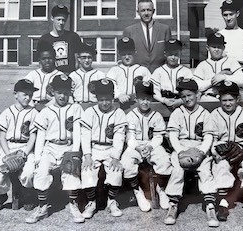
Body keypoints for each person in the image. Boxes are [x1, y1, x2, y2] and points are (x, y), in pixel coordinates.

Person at [25, 75, 84, 224]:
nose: (62, 96)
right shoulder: (46, 111)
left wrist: (75, 152)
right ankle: (42, 206)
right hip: (50, 147)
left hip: (68, 146)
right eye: (59, 92)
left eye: (65, 92)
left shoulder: (75, 108)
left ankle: (73, 204)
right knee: (41, 171)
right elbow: (41, 136)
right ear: (53, 92)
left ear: (69, 92)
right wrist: (38, 156)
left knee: (72, 171)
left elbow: (77, 132)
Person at [204, 80, 243, 223]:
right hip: (223, 150)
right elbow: (210, 137)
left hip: (241, 149)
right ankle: (223, 204)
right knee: (222, 166)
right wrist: (215, 150)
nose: (228, 103)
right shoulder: (214, 115)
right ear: (219, 99)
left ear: (237, 99)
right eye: (224, 100)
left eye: (231, 99)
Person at [164, 79, 218, 227]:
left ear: (198, 94)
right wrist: (181, 152)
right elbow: (173, 136)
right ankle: (173, 204)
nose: (187, 99)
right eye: (183, 96)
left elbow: (208, 136)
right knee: (177, 168)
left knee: (205, 169)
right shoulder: (177, 112)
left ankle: (210, 205)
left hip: (200, 146)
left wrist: (201, 152)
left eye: (190, 95)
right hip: (181, 146)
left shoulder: (205, 114)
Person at [121, 80, 172, 212]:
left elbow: (158, 136)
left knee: (164, 160)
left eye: (148, 99)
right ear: (137, 99)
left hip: (152, 145)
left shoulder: (156, 115)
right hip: (135, 146)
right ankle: (137, 191)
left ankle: (161, 189)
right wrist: (138, 148)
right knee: (126, 163)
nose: (145, 102)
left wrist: (149, 147)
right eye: (142, 99)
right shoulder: (130, 116)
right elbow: (129, 137)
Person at [80, 79, 127, 219]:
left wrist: (116, 157)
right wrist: (87, 155)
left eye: (108, 99)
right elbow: (85, 135)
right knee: (87, 171)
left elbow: (120, 136)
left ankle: (111, 201)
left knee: (116, 170)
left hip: (111, 149)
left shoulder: (118, 113)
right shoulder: (89, 112)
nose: (105, 103)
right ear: (96, 98)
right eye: (101, 99)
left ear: (113, 97)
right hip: (94, 148)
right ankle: (91, 202)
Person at [0, 79, 38, 211]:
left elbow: (33, 136)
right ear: (15, 94)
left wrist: (25, 154)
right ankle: (2, 195)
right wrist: (8, 155)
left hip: (26, 148)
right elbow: (2, 136)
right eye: (24, 94)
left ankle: (28, 194)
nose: (28, 97)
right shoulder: (7, 112)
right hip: (9, 148)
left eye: (30, 94)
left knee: (29, 173)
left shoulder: (34, 112)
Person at [193, 32, 243, 101]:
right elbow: (196, 86)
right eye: (214, 47)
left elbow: (242, 80)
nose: (216, 50)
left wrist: (225, 77)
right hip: (209, 97)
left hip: (228, 98)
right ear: (207, 48)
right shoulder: (202, 65)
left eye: (219, 47)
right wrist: (212, 81)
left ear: (223, 48)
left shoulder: (231, 62)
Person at [122, 0, 171, 73]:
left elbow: (170, 54)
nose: (146, 13)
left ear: (153, 11)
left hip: (160, 74)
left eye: (149, 10)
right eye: (142, 10)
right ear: (138, 12)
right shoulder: (129, 31)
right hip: (138, 75)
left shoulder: (164, 29)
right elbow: (124, 55)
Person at [106, 37, 151, 109]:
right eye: (124, 54)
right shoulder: (114, 70)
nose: (127, 57)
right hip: (117, 106)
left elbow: (148, 89)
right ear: (119, 54)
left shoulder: (143, 70)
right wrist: (119, 95)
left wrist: (133, 96)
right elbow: (109, 87)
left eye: (129, 53)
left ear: (135, 52)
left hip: (138, 107)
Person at [37, 5, 82, 74]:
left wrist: (75, 76)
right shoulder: (44, 39)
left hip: (70, 75)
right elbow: (41, 63)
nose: (61, 23)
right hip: (52, 76)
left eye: (63, 20)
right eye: (58, 19)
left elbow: (77, 60)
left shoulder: (73, 36)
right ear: (52, 18)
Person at [151, 39, 194, 109]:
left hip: (182, 103)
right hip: (163, 103)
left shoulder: (186, 71)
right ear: (165, 54)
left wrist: (180, 100)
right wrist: (164, 100)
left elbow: (191, 91)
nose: (173, 57)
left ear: (180, 53)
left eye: (176, 54)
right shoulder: (158, 71)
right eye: (170, 54)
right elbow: (154, 90)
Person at [23, 41, 63, 110]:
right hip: (33, 106)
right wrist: (32, 105)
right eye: (44, 59)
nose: (47, 61)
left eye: (50, 58)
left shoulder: (60, 75)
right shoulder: (33, 74)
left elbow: (62, 96)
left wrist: (46, 106)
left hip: (53, 107)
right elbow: (24, 92)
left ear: (54, 59)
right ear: (39, 60)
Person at [218, 0, 243, 66]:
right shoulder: (219, 35)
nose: (228, 18)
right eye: (225, 15)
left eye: (231, 14)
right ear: (222, 15)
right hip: (223, 73)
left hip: (242, 72)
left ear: (237, 14)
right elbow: (213, 60)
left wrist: (226, 57)